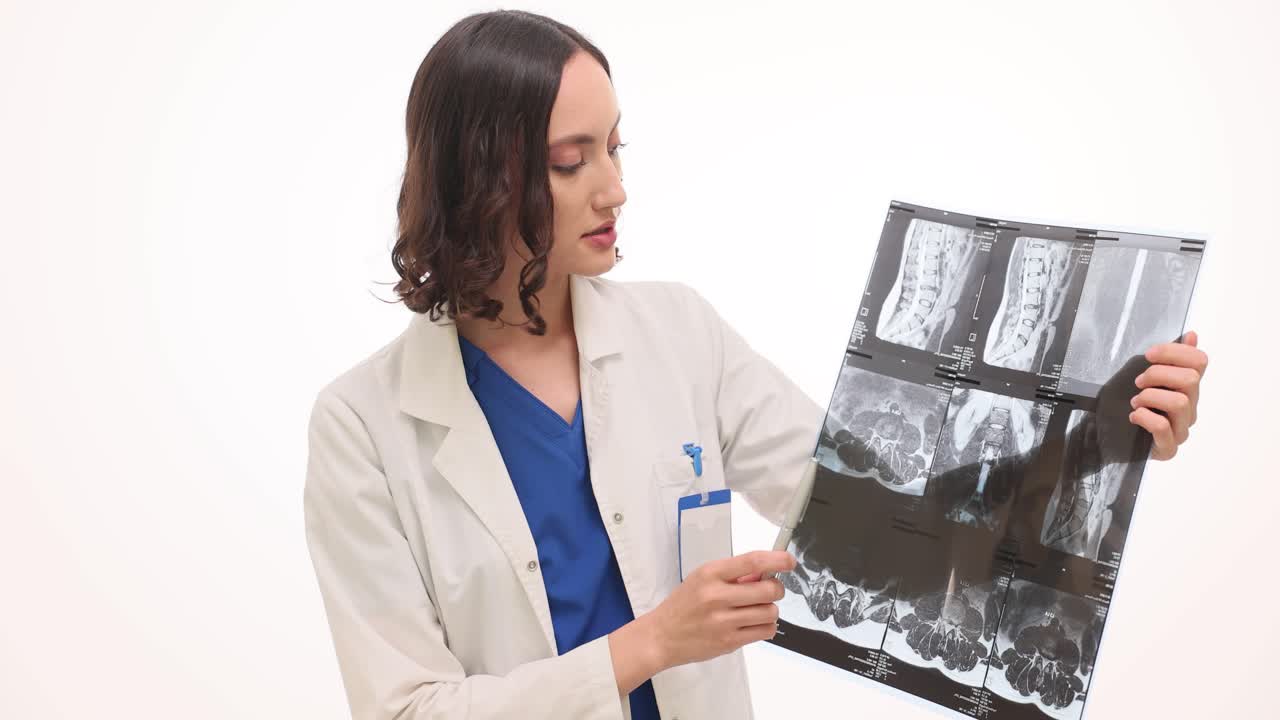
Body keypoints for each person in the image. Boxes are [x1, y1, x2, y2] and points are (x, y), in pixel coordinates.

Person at [302, 10, 1210, 720]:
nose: (616, 189)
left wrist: (1096, 441)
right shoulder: (364, 428)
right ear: (478, 180)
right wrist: (650, 644)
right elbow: (408, 707)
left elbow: (882, 530)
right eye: (570, 162)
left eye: (615, 147)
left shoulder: (677, 334)